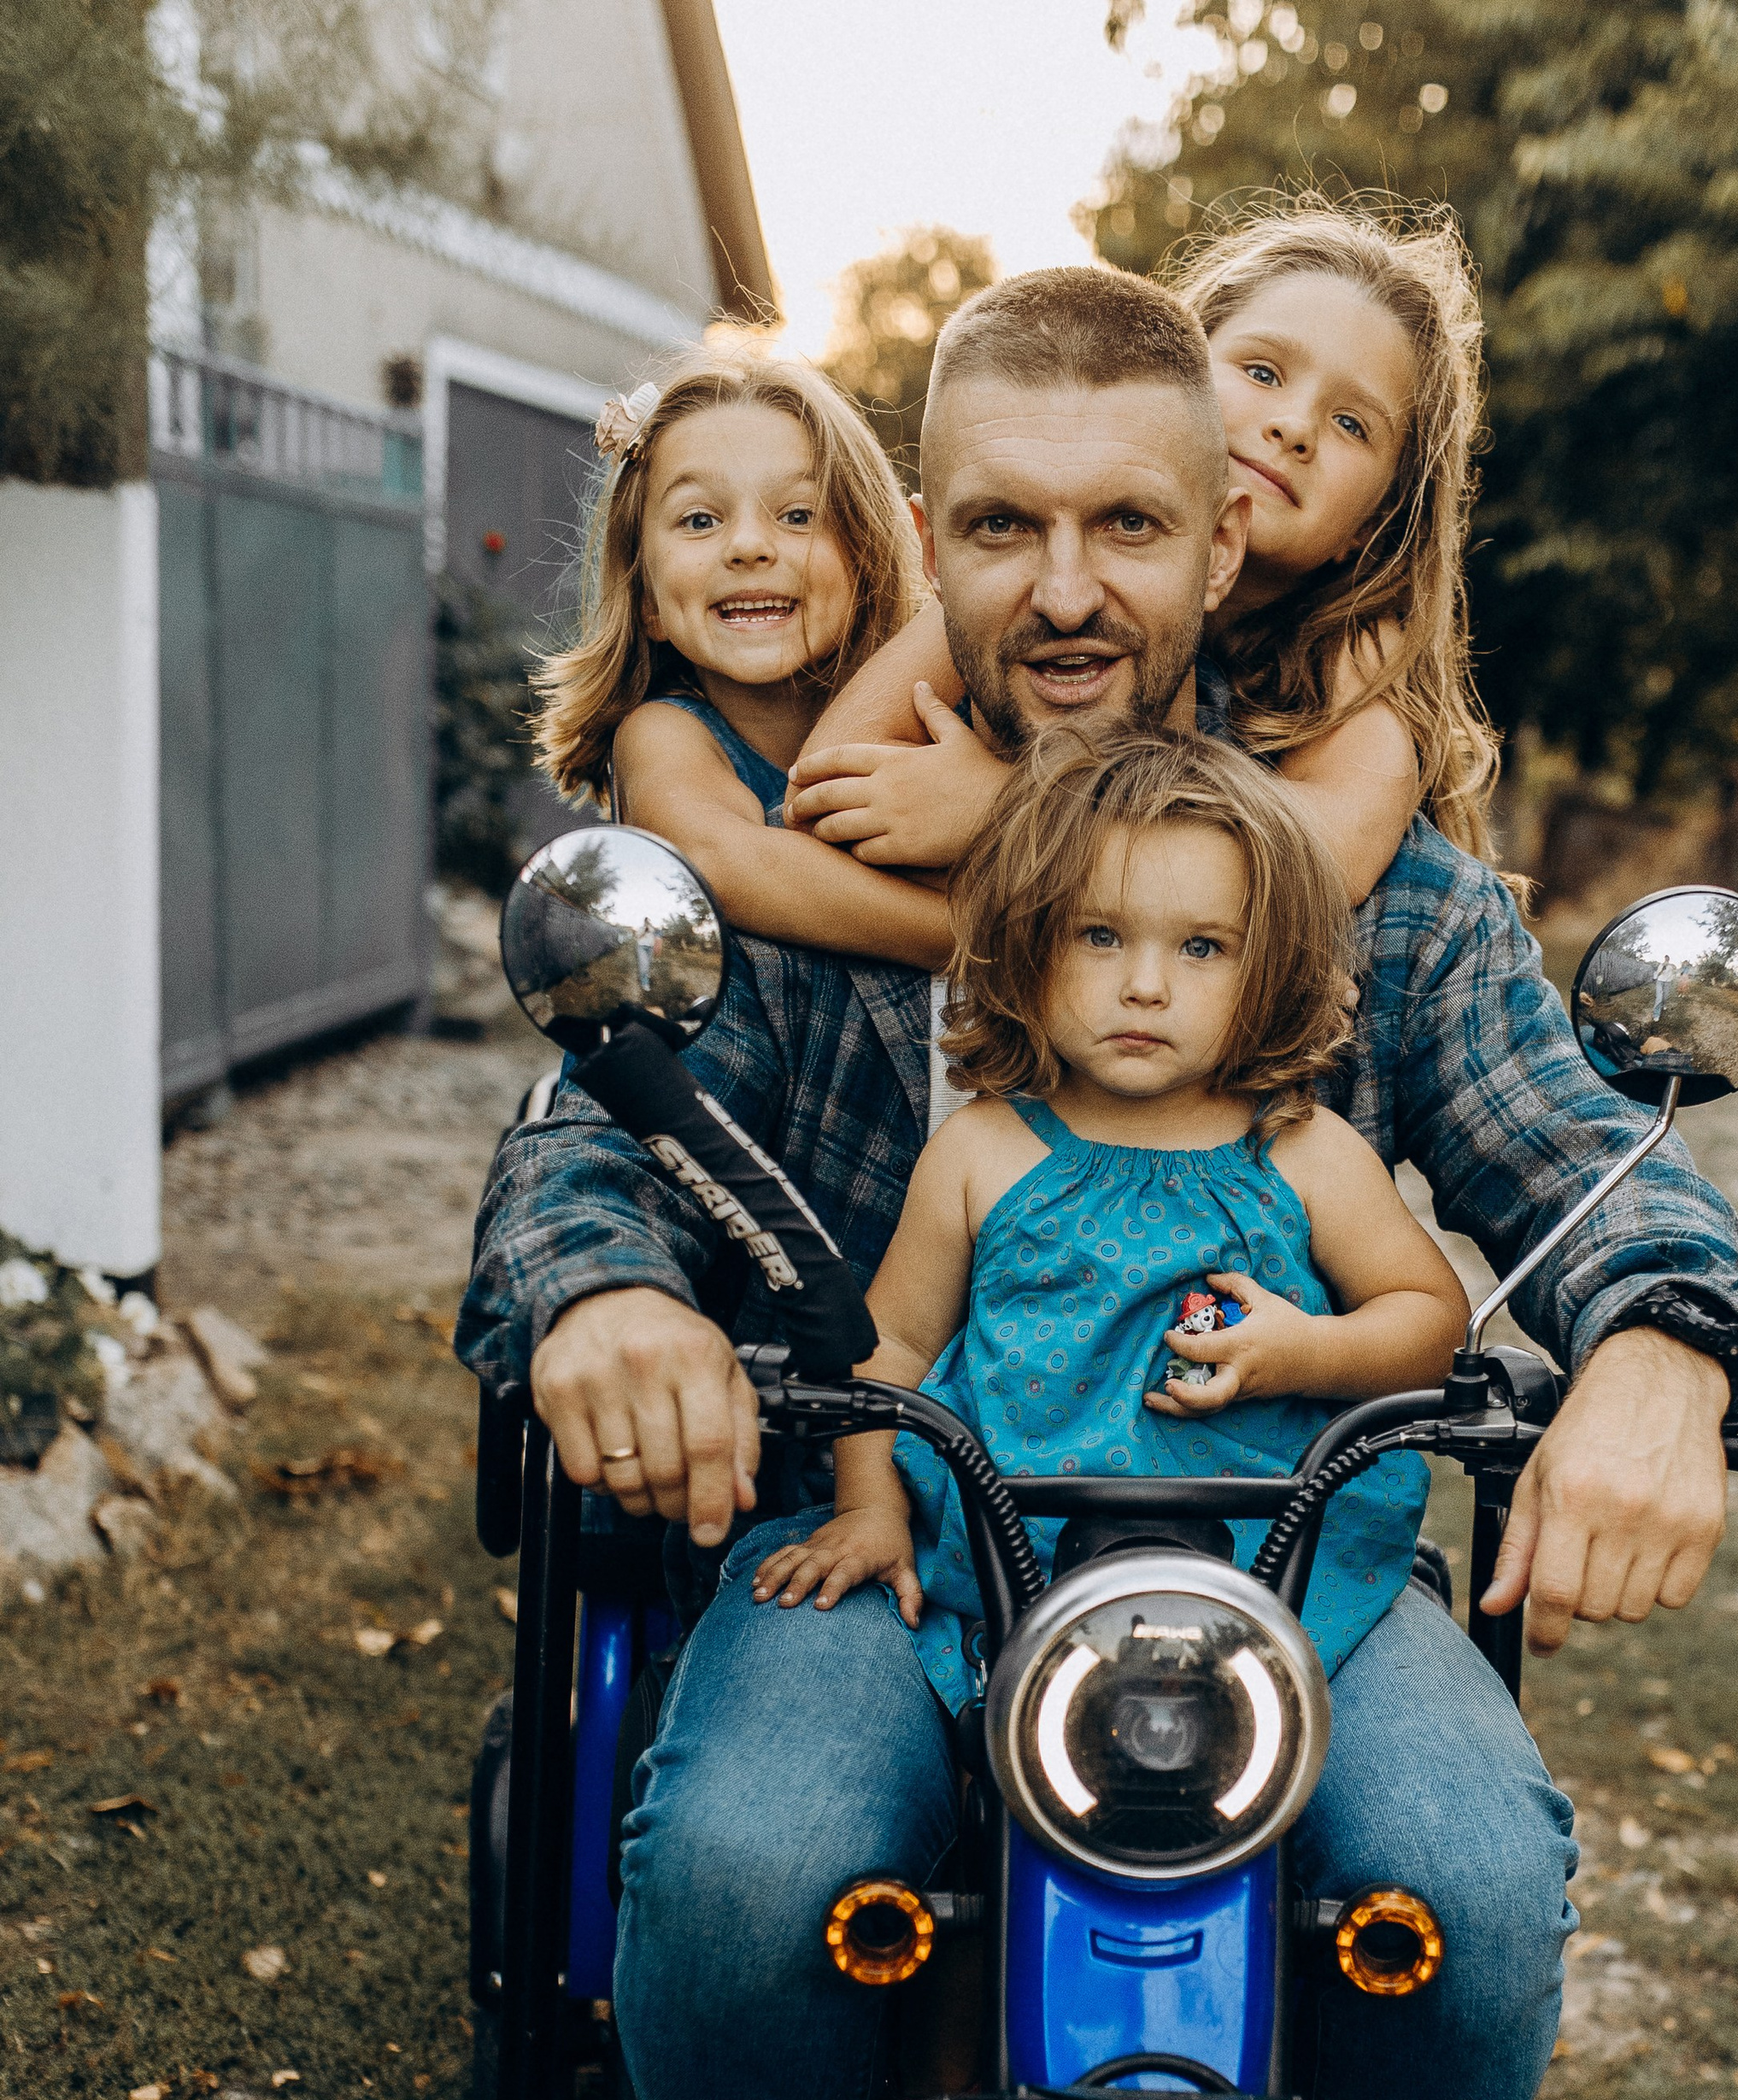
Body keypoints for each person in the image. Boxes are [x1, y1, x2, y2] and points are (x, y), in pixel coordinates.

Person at [457, 262, 1738, 2100]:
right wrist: (613, 1291)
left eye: (1126, 530)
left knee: (1473, 1890)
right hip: (898, 1525)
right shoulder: (814, 836)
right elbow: (592, 1129)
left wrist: (1666, 1348)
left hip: (1299, 1554)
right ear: (921, 544)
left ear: (1222, 549)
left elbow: (1578, 1137)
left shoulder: (1363, 878)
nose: (1066, 592)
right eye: (1000, 527)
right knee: (752, 1865)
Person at [748, 725, 1469, 1707]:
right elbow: (894, 1351)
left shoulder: (1303, 1153)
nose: (1144, 985)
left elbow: (1430, 1319)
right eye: (1099, 935)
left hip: (1268, 1569)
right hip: (1008, 1567)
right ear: (1028, 945)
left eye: (1203, 947)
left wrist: (1305, 1353)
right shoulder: (984, 1151)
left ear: (1273, 969)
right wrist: (869, 1507)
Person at [784, 204, 1494, 911]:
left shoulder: (1361, 661)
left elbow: (1325, 866)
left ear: (1377, 522)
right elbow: (821, 788)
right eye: (1263, 371)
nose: (1294, 426)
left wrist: (1007, 807)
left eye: (1351, 423)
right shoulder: (1029, 580)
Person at [533, 340, 952, 969]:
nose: (749, 545)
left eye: (798, 514)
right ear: (647, 598)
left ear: (866, 558)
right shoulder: (661, 735)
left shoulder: (936, 714)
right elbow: (720, 863)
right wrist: (980, 937)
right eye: (699, 520)